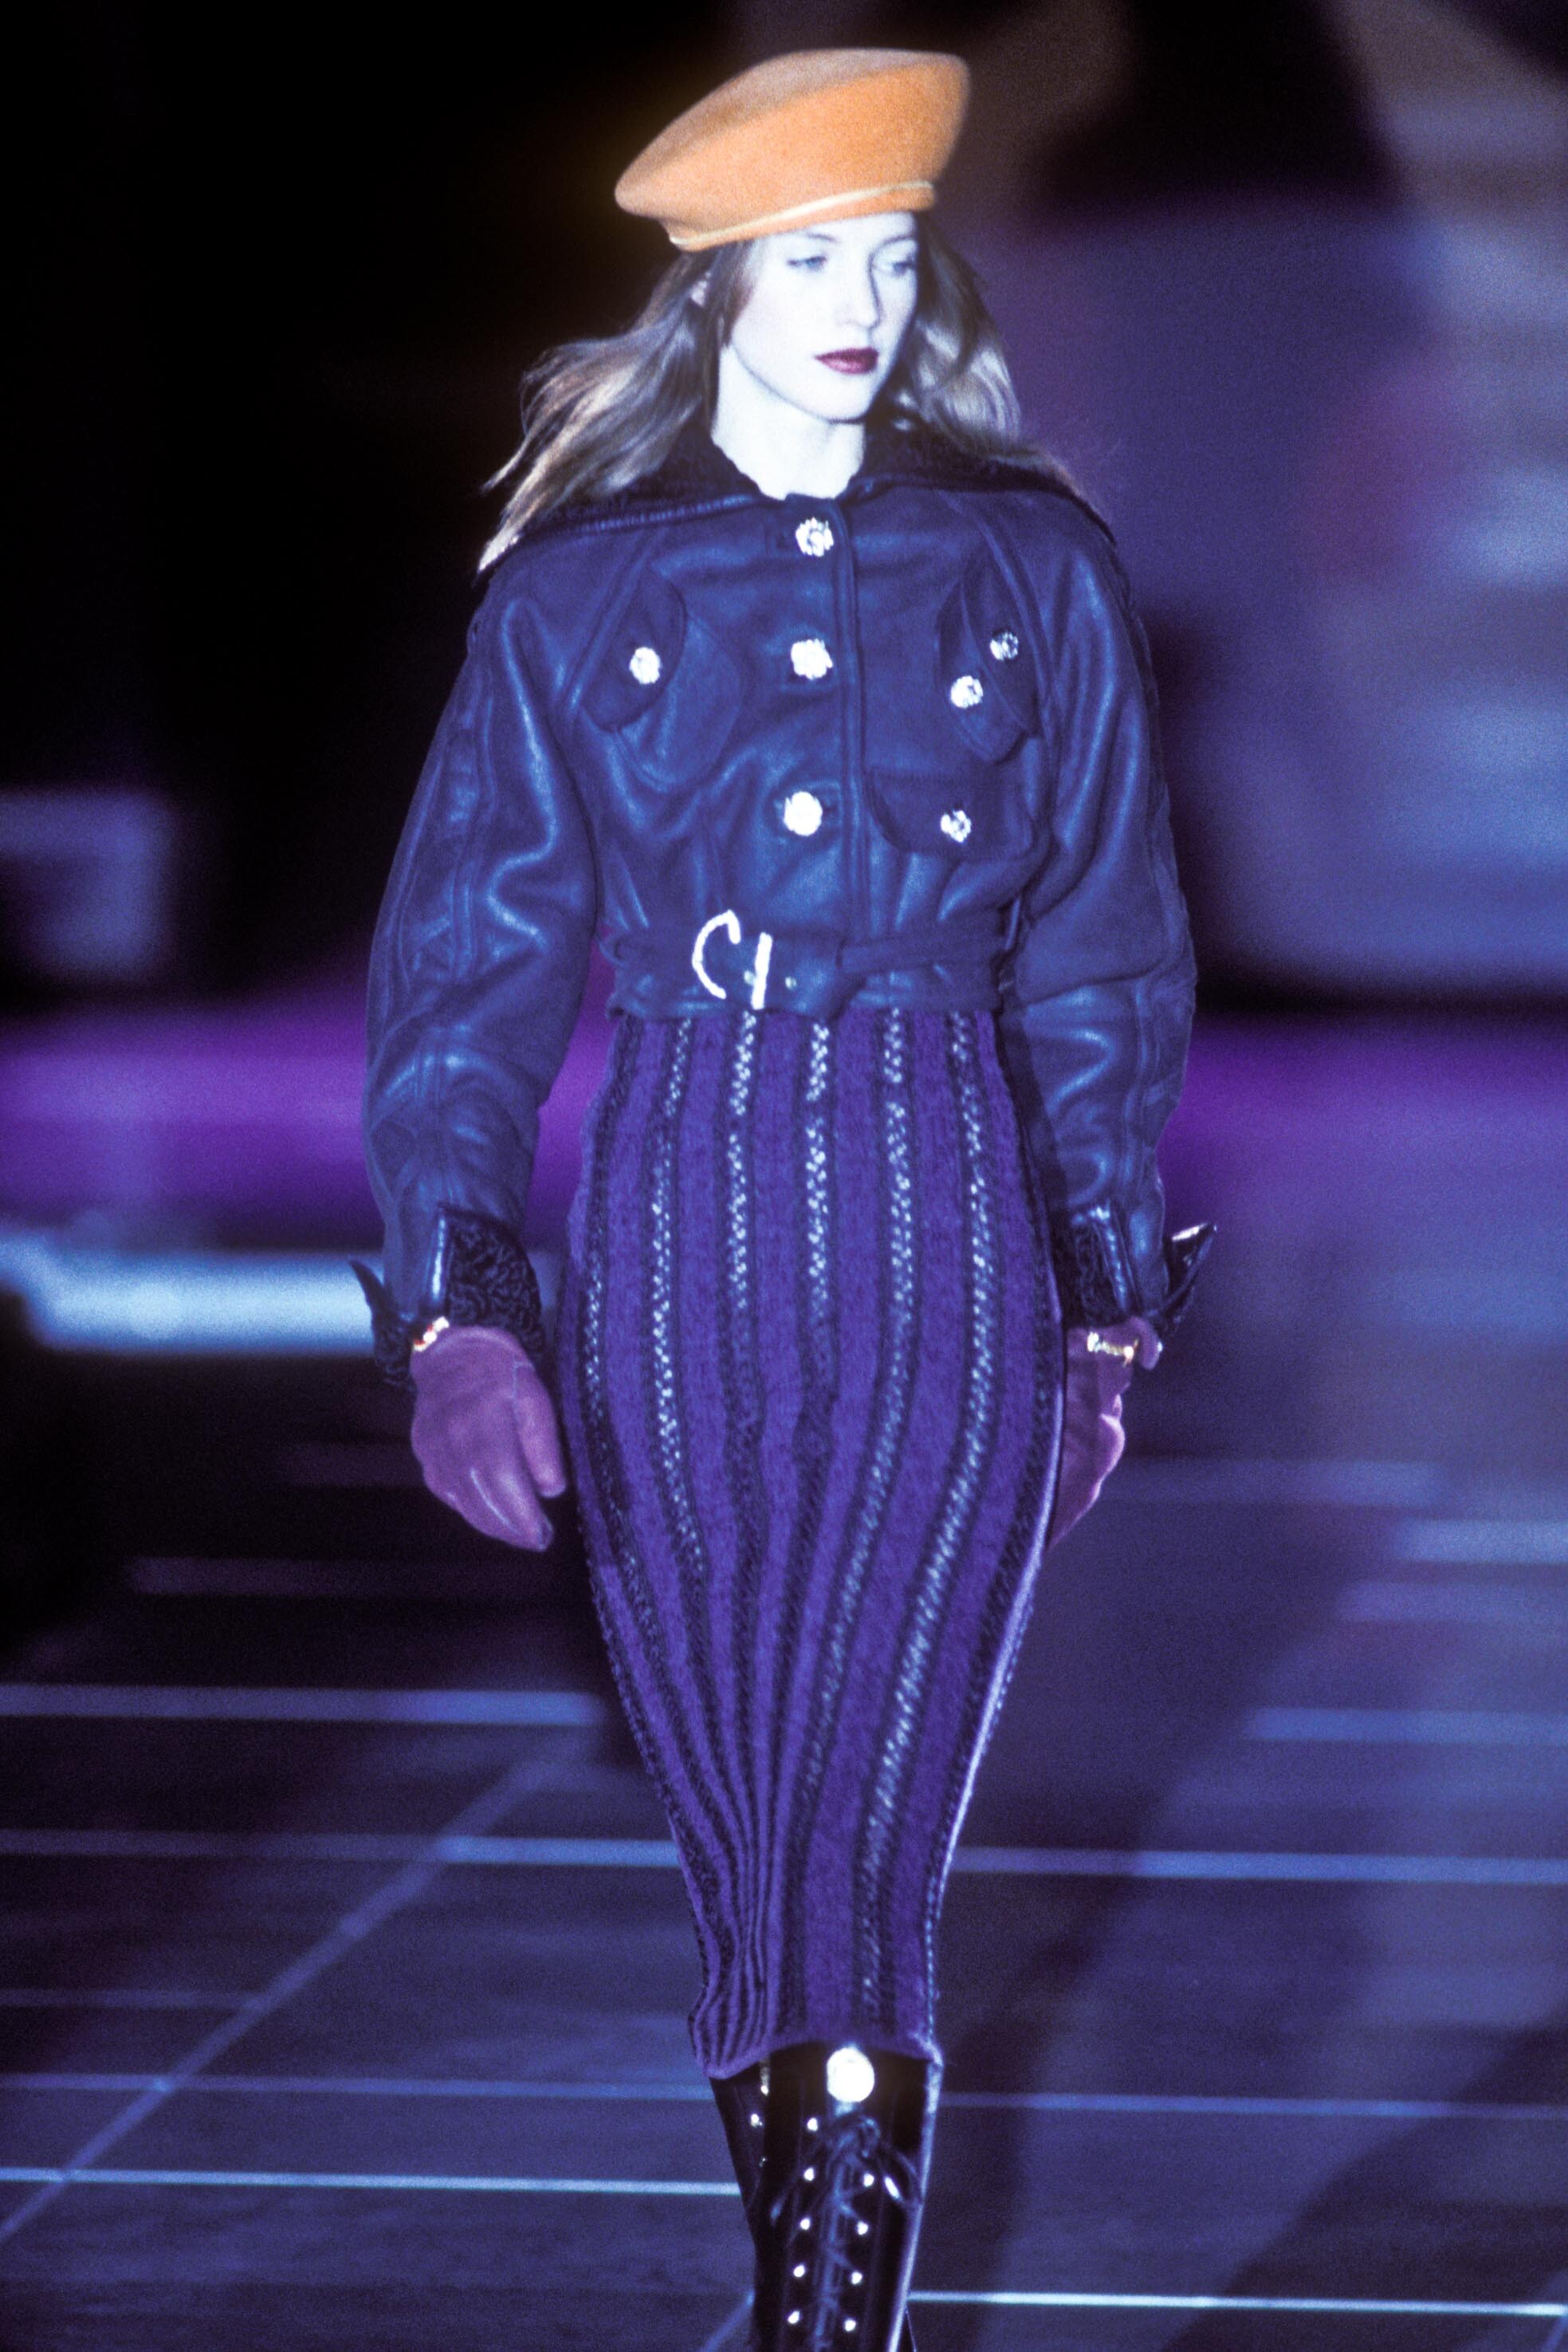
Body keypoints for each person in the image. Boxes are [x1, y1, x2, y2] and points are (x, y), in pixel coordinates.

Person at [353, 45, 1213, 2350]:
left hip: (949, 1220)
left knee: (865, 1843)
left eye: (890, 261)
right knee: (754, 1847)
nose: (857, 306)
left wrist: (1104, 1309)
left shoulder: (1030, 568)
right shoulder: (572, 603)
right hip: (675, 1229)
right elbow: (466, 981)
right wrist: (458, 1314)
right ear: (716, 283)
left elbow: (1104, 958)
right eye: (810, 261)